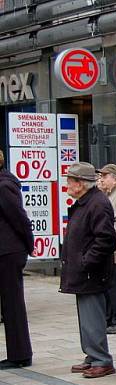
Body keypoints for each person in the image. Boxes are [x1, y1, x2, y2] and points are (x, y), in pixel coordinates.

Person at [60, 162, 116, 379]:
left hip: (91, 273)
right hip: (84, 272)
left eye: (69, 181)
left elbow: (107, 239)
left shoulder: (96, 203)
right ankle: (93, 356)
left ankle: (101, 359)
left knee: (92, 316)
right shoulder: (87, 202)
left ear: (80, 184)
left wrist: (86, 262)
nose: (67, 185)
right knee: (86, 317)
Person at [0, 148, 34, 369]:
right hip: (6, 250)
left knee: (12, 304)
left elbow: (19, 218)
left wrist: (28, 244)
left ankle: (20, 354)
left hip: (8, 252)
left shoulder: (4, 185)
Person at [97, 163, 116, 335]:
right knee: (110, 286)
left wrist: (104, 229)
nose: (101, 180)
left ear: (114, 179)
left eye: (104, 176)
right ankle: (111, 317)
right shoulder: (108, 195)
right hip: (110, 249)